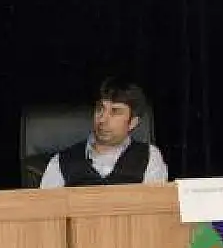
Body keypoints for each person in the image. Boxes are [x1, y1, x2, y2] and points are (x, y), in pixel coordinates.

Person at [39, 78, 169, 188]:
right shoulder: (61, 161)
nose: (102, 119)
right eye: (100, 109)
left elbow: (155, 207)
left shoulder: (150, 157)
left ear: (133, 122)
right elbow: (45, 207)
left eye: (115, 112)